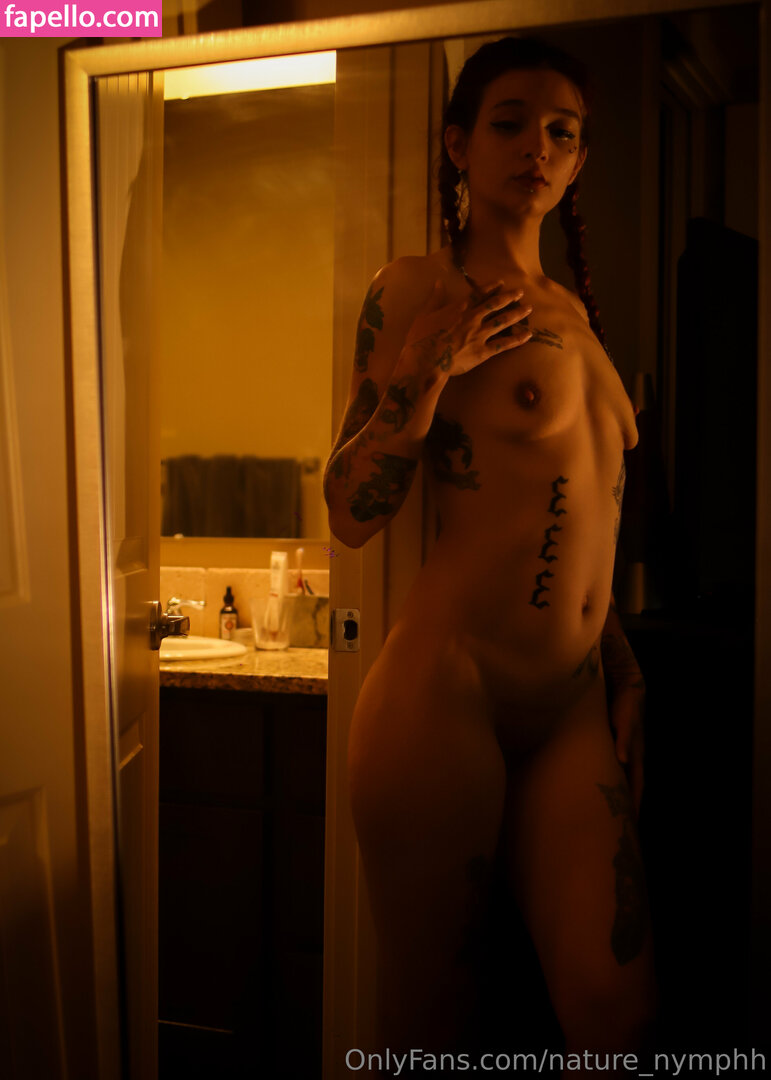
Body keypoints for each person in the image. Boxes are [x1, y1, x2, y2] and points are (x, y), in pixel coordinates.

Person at [323, 35, 657, 1075]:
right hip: (448, 696)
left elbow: (577, 505)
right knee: (433, 1026)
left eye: (561, 131)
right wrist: (427, 371)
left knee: (618, 1015)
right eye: (510, 123)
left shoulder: (578, 317)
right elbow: (346, 512)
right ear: (458, 145)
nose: (537, 147)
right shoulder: (418, 288)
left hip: (571, 710)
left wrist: (617, 658)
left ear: (580, 159)